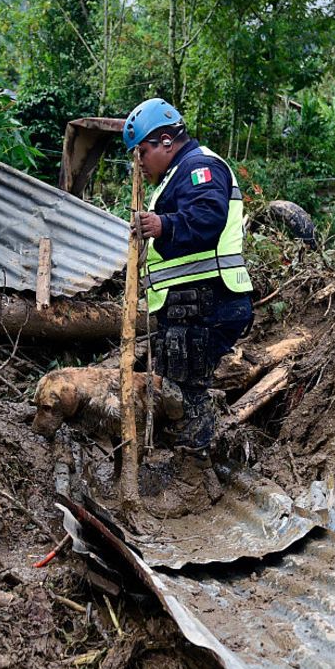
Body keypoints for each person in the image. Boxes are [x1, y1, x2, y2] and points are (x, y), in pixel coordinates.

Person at [123, 98, 254, 517]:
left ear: (164, 141)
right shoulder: (176, 176)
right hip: (189, 305)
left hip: (209, 301)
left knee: (187, 391)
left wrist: (163, 225)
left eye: (142, 152)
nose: (139, 162)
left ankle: (192, 486)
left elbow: (208, 218)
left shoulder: (201, 168)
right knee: (184, 385)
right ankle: (201, 477)